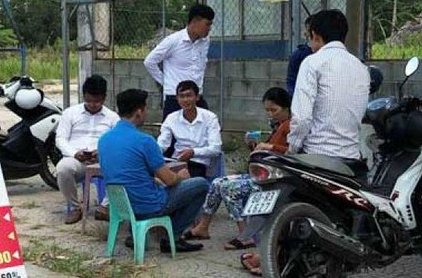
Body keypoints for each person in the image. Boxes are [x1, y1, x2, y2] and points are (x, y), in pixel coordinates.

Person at [98, 89, 208, 253]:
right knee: (200, 184)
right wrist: (181, 177)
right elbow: (169, 180)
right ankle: (173, 236)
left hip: (120, 204)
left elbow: (128, 173)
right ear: (139, 112)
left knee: (156, 187)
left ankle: (136, 234)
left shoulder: (104, 139)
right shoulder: (144, 141)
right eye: (145, 109)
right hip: (148, 205)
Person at [184, 87, 291, 249]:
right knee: (217, 183)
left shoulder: (290, 126)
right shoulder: (278, 125)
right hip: (262, 172)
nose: (270, 114)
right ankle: (203, 226)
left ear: (286, 108)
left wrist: (269, 146)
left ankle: (246, 234)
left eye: (274, 110)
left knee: (229, 189)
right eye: (267, 110)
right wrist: (255, 147)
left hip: (273, 178)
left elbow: (292, 152)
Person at [288, 9, 370, 167]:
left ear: (315, 35)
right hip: (351, 160)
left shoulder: (312, 63)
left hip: (317, 158)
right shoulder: (361, 68)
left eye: (308, 37)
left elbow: (302, 119)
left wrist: (292, 150)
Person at [55, 75, 119, 224]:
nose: (92, 104)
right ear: (83, 96)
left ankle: (104, 207)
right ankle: (76, 207)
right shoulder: (70, 113)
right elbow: (60, 139)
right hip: (77, 159)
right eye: (89, 100)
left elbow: (116, 142)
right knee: (63, 168)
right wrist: (74, 153)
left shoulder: (112, 117)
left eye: (97, 101)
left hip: (102, 160)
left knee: (122, 168)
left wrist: (102, 152)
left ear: (104, 98)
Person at [144, 4, 214, 119]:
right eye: (207, 24)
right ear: (195, 21)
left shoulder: (205, 41)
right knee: (173, 134)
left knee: (205, 129)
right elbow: (149, 61)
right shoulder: (173, 41)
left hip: (197, 97)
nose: (209, 28)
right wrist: (165, 82)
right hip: (176, 98)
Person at [157, 80, 222, 178]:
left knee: (186, 181)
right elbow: (162, 143)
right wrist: (152, 152)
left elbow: (216, 149)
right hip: (176, 161)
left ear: (197, 97)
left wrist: (193, 152)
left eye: (189, 95)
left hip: (199, 163)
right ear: (177, 99)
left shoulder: (210, 117)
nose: (185, 100)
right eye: (181, 96)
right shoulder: (171, 118)